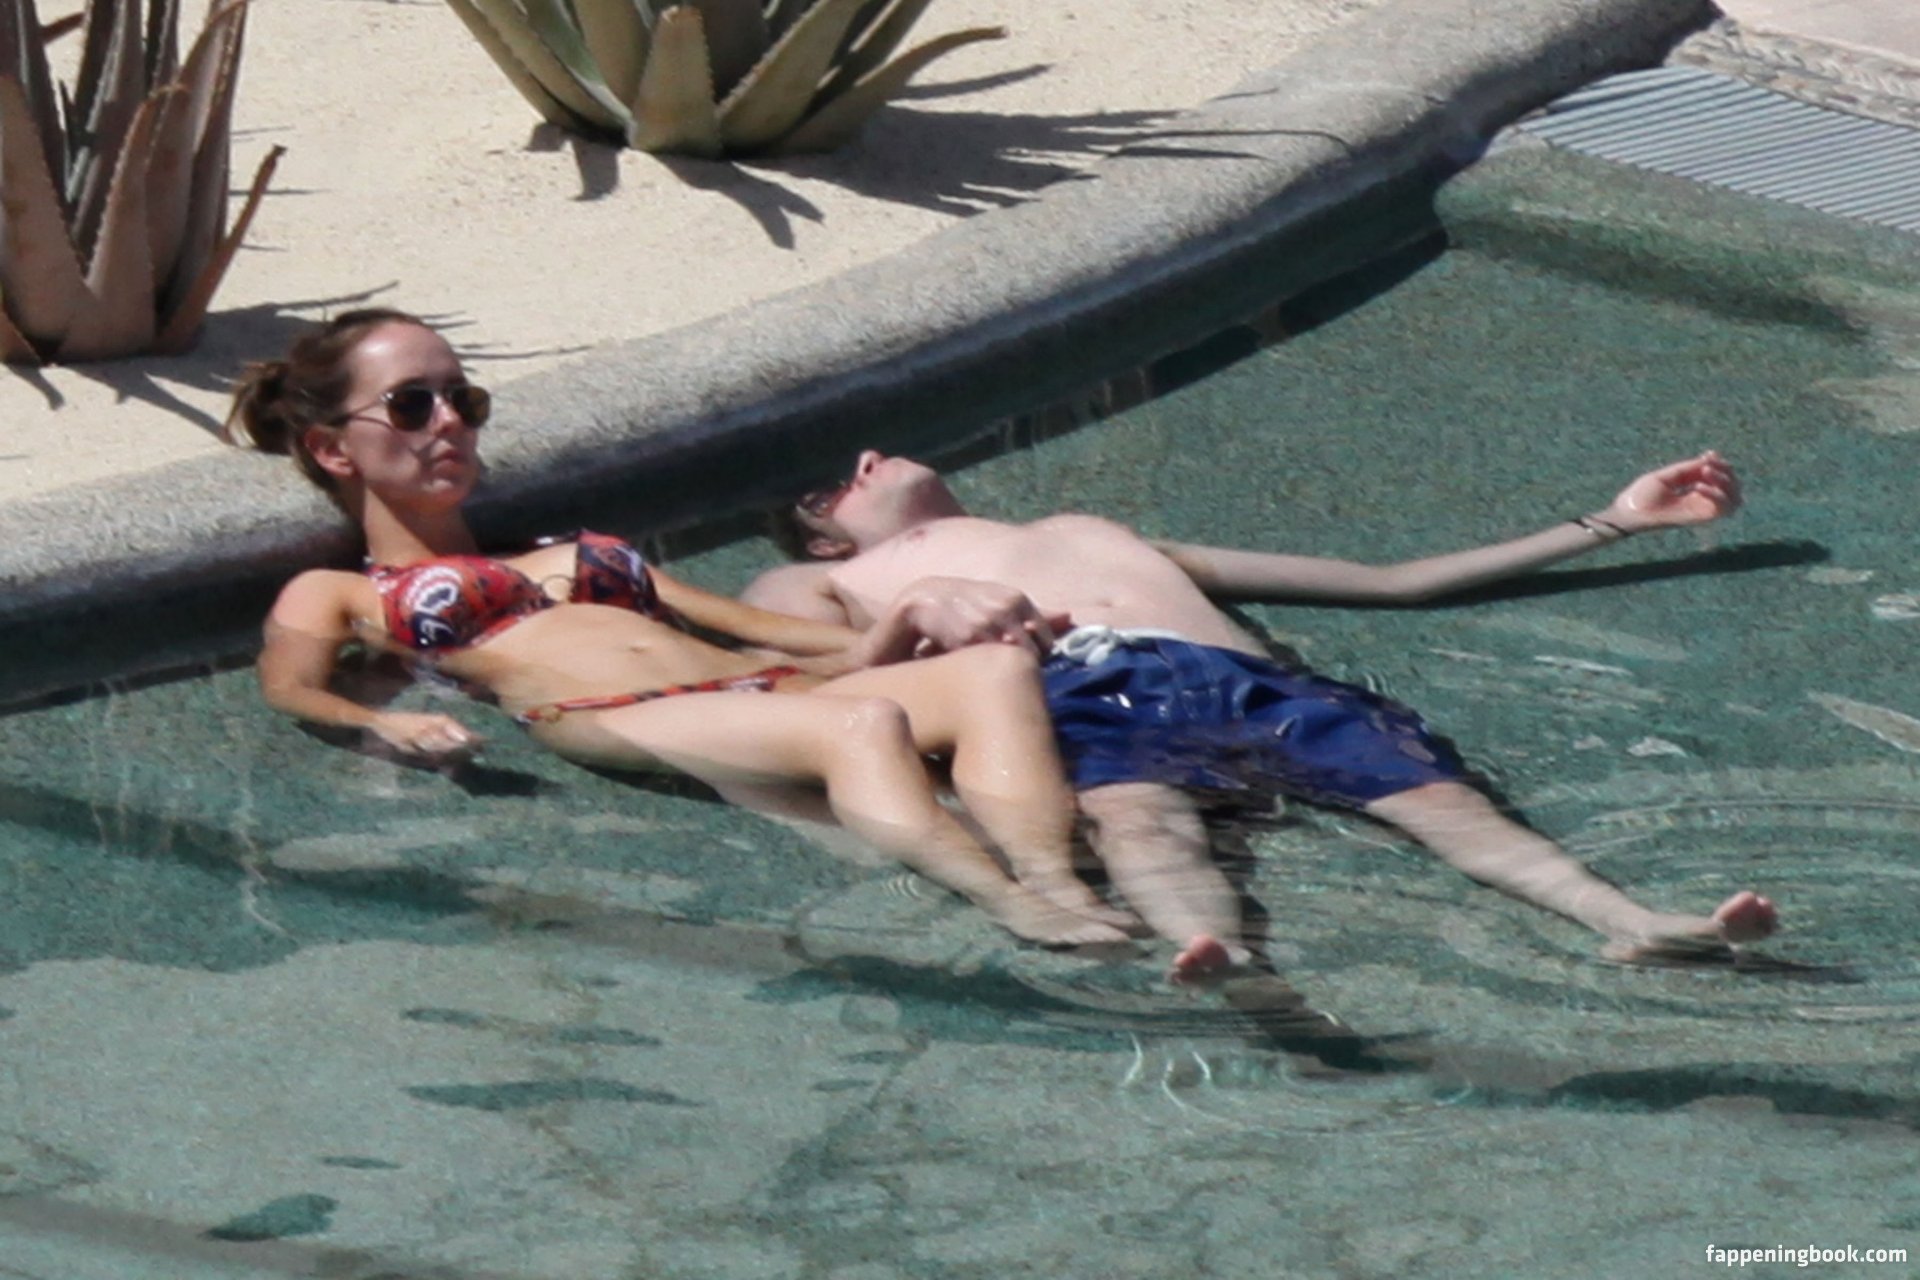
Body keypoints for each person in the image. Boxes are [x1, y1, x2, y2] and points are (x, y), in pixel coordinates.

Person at [232, 310, 1136, 947]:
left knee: (990, 676)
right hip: (622, 710)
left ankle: (1058, 880)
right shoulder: (340, 589)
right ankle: (1009, 904)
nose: (449, 425)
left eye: (462, 401)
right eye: (411, 405)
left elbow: (762, 630)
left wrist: (928, 621)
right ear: (333, 448)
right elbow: (290, 687)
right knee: (863, 724)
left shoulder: (577, 550)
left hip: (761, 689)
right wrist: (382, 723)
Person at [742, 449, 1780, 980]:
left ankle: (1632, 920)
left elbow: (1394, 581)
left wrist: (1614, 519)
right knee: (1140, 818)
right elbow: (795, 688)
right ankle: (1211, 945)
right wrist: (912, 618)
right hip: (1066, 687)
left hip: (1251, 681)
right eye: (835, 488)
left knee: (1446, 803)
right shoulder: (823, 578)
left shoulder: (1087, 527)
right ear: (827, 542)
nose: (867, 459)